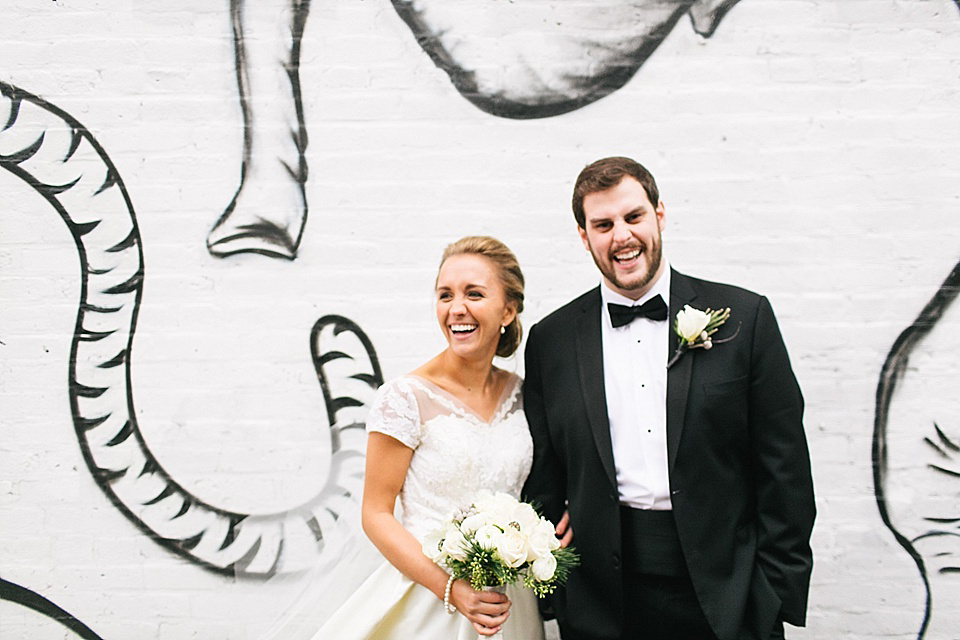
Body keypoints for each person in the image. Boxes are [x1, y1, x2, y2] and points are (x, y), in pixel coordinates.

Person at [522, 156, 815, 640]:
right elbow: (545, 477)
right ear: (583, 235)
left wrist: (772, 595)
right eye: (603, 224)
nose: (621, 236)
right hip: (602, 603)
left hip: (726, 595)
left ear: (659, 214)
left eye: (633, 217)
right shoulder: (551, 340)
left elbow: (785, 470)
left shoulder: (745, 318)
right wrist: (556, 594)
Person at [313, 236, 546, 639]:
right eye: (445, 295)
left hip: (509, 604)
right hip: (429, 599)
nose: (457, 309)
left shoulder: (524, 394)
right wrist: (451, 590)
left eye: (474, 294)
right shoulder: (405, 398)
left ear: (508, 309)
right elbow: (376, 515)